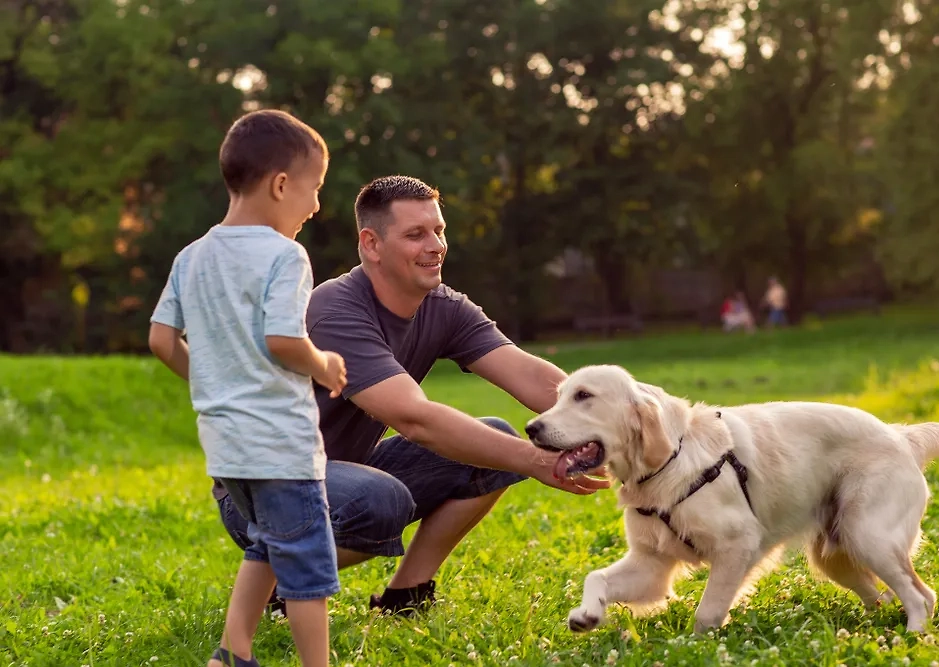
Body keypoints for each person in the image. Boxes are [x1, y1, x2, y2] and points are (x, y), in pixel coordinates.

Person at [214, 174, 610, 618]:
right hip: (261, 491)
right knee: (381, 499)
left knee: (490, 441)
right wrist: (537, 460)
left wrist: (613, 421)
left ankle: (406, 595)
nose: (436, 245)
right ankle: (275, 579)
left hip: (340, 472)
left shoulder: (444, 306)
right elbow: (413, 418)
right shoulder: (335, 309)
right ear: (372, 244)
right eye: (415, 234)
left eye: (439, 230)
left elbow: (532, 377)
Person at [148, 109, 347, 667]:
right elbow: (285, 339)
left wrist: (213, 380)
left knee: (266, 541)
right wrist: (324, 363)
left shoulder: (192, 256)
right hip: (279, 446)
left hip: (226, 448)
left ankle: (233, 653)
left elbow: (163, 341)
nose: (315, 206)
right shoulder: (285, 255)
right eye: (314, 190)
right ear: (281, 184)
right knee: (306, 565)